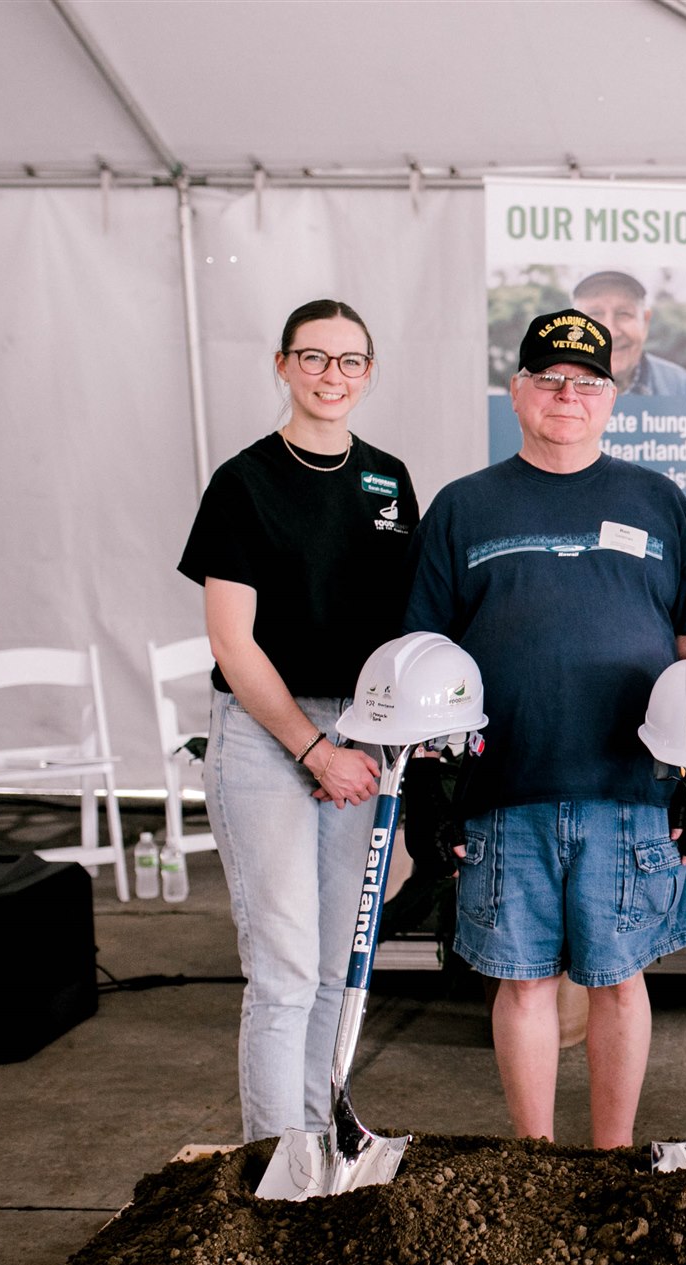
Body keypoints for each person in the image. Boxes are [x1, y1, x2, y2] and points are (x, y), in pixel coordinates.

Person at [405, 309, 686, 1147]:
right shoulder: (463, 508)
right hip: (505, 788)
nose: (567, 396)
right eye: (548, 380)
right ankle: (534, 1161)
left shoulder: (656, 501)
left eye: (586, 382)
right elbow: (425, 657)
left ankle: (612, 1157)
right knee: (525, 982)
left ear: (613, 398)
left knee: (620, 983)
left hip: (632, 789)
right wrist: (430, 797)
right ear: (516, 392)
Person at [179, 299, 418, 1144]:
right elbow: (232, 644)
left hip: (357, 740)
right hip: (265, 733)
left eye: (350, 361)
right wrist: (315, 748)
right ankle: (273, 1170)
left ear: (370, 373)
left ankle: (319, 1144)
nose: (332, 377)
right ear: (282, 366)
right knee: (282, 970)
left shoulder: (388, 479)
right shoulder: (244, 483)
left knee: (331, 969)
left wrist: (366, 742)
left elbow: (402, 630)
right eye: (314, 359)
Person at [572, 270, 686, 396]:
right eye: (595, 314)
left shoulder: (682, 388)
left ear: (645, 323)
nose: (611, 333)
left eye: (624, 314)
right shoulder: (553, 389)